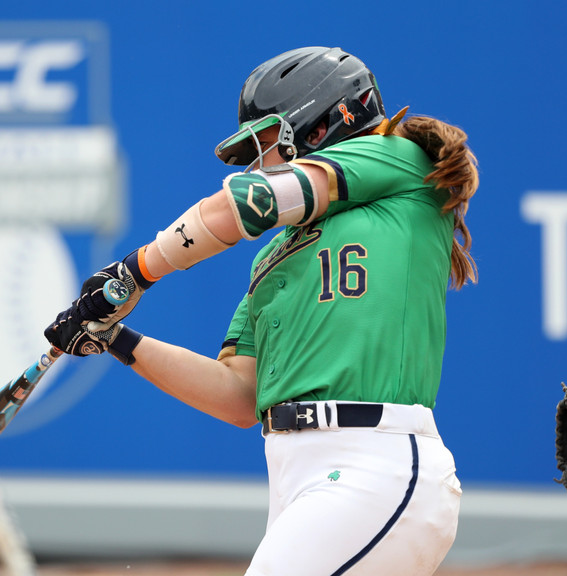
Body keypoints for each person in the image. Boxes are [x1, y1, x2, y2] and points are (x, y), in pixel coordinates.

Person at [45, 46, 478, 575]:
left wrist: (133, 272)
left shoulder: (396, 157)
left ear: (321, 125)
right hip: (298, 476)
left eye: (267, 142)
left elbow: (247, 202)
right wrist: (116, 338)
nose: (258, 164)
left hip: (374, 462)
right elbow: (238, 397)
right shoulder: (274, 256)